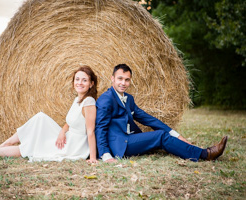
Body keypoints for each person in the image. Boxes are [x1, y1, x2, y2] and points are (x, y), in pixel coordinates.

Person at [95, 64, 228, 163]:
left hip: (129, 139)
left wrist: (176, 135)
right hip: (119, 145)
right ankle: (206, 154)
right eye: (120, 78)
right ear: (112, 79)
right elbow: (100, 128)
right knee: (160, 136)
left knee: (163, 136)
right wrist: (106, 155)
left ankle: (188, 147)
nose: (123, 83)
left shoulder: (129, 99)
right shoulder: (106, 99)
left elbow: (148, 119)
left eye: (127, 79)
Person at [0, 66, 98, 163]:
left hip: (74, 145)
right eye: (77, 79)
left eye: (84, 80)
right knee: (40, 117)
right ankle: (3, 146)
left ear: (91, 84)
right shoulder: (78, 99)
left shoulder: (89, 102)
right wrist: (62, 132)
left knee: (34, 145)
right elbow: (69, 123)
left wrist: (92, 158)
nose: (79, 83)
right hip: (67, 137)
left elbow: (90, 132)